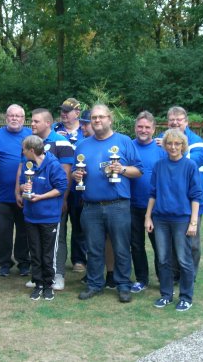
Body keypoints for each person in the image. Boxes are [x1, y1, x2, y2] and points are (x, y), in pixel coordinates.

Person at [72, 104, 143, 303]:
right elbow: (76, 172)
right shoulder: (82, 145)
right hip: (91, 205)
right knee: (93, 248)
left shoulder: (124, 141)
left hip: (118, 205)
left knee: (121, 247)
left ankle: (123, 285)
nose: (97, 120)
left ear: (110, 119)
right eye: (94, 118)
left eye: (101, 117)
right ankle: (95, 284)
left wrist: (121, 169)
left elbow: (138, 171)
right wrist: (76, 175)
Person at [145, 128, 202, 312]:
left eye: (177, 144)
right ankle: (166, 295)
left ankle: (186, 297)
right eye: (169, 143)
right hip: (160, 219)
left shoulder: (190, 166)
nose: (173, 147)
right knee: (163, 259)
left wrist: (193, 222)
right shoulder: (159, 166)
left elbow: (196, 196)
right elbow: (153, 193)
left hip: (181, 220)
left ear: (183, 145)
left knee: (184, 259)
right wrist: (148, 217)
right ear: (165, 145)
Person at [18, 108, 74, 290]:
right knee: (36, 242)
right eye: (32, 121)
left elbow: (66, 174)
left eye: (36, 121)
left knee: (56, 239)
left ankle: (57, 275)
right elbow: (23, 170)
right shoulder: (29, 141)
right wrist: (19, 191)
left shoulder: (61, 142)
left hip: (53, 204)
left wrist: (63, 199)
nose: (32, 124)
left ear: (48, 123)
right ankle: (38, 275)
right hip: (34, 206)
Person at [157, 106, 203, 279]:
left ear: (186, 122)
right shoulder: (160, 139)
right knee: (171, 242)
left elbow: (196, 160)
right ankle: (174, 275)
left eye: (179, 119)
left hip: (193, 201)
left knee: (192, 242)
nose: (175, 122)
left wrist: (171, 150)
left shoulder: (196, 141)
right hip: (169, 201)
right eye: (171, 119)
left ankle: (190, 277)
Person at [129, 111, 167, 293]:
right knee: (136, 245)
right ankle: (141, 279)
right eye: (140, 126)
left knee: (159, 245)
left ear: (153, 129)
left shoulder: (161, 149)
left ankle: (163, 279)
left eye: (147, 127)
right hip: (132, 204)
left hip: (156, 207)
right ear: (135, 127)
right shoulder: (128, 146)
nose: (143, 130)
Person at [0, 105, 32, 277]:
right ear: (6, 117)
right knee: (4, 232)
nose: (14, 118)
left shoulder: (31, 136)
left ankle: (23, 262)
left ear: (23, 119)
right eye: (11, 115)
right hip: (3, 195)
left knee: (24, 231)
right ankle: (4, 263)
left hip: (25, 194)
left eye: (18, 116)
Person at [55, 98, 87, 273]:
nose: (64, 114)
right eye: (62, 110)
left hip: (79, 187)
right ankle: (56, 258)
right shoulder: (54, 130)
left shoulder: (86, 131)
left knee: (79, 224)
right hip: (58, 186)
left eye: (67, 111)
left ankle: (79, 259)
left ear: (77, 113)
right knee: (58, 224)